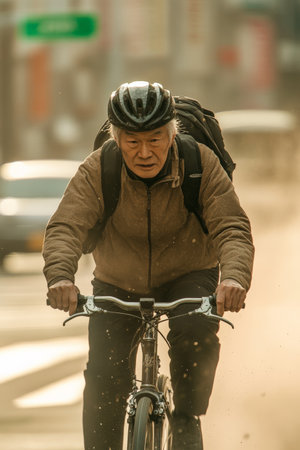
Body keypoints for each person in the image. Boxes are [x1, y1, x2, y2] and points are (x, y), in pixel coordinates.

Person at [43, 81, 254, 450]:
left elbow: (232, 228)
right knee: (105, 379)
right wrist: (61, 277)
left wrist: (233, 279)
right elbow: (66, 226)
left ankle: (187, 416)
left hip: (189, 273)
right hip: (117, 282)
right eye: (132, 140)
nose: (144, 152)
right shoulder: (100, 167)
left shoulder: (199, 164)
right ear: (116, 139)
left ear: (172, 135)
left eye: (155, 139)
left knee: (195, 335)